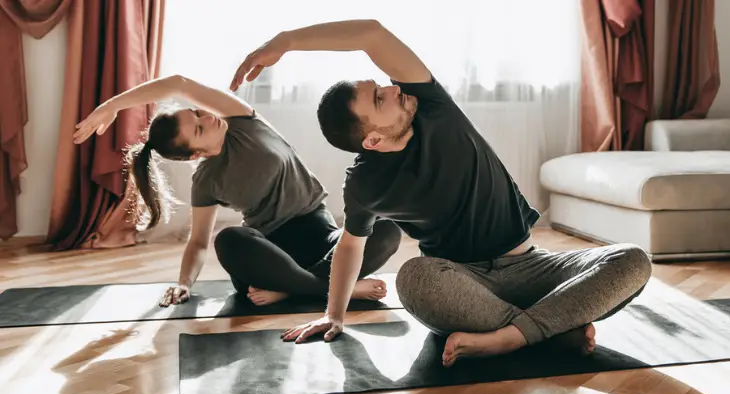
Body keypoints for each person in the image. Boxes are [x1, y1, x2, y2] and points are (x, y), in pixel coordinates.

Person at [230, 19, 653, 366]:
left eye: (384, 85)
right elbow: (350, 245)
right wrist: (332, 314)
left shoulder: (432, 108)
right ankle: (547, 328)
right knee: (413, 278)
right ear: (372, 140)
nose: (394, 88)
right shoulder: (364, 183)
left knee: (631, 259)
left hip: (532, 268)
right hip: (461, 283)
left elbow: (371, 34)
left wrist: (285, 41)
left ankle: (513, 336)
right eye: (380, 98)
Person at [72, 74, 402, 308]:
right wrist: (183, 283)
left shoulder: (242, 120)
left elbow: (179, 83)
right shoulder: (206, 180)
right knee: (228, 241)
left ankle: (300, 290)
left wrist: (111, 106)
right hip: (273, 253)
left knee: (386, 226)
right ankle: (331, 289)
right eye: (199, 128)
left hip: (323, 236)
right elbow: (198, 242)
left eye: (198, 113)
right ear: (195, 154)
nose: (208, 117)